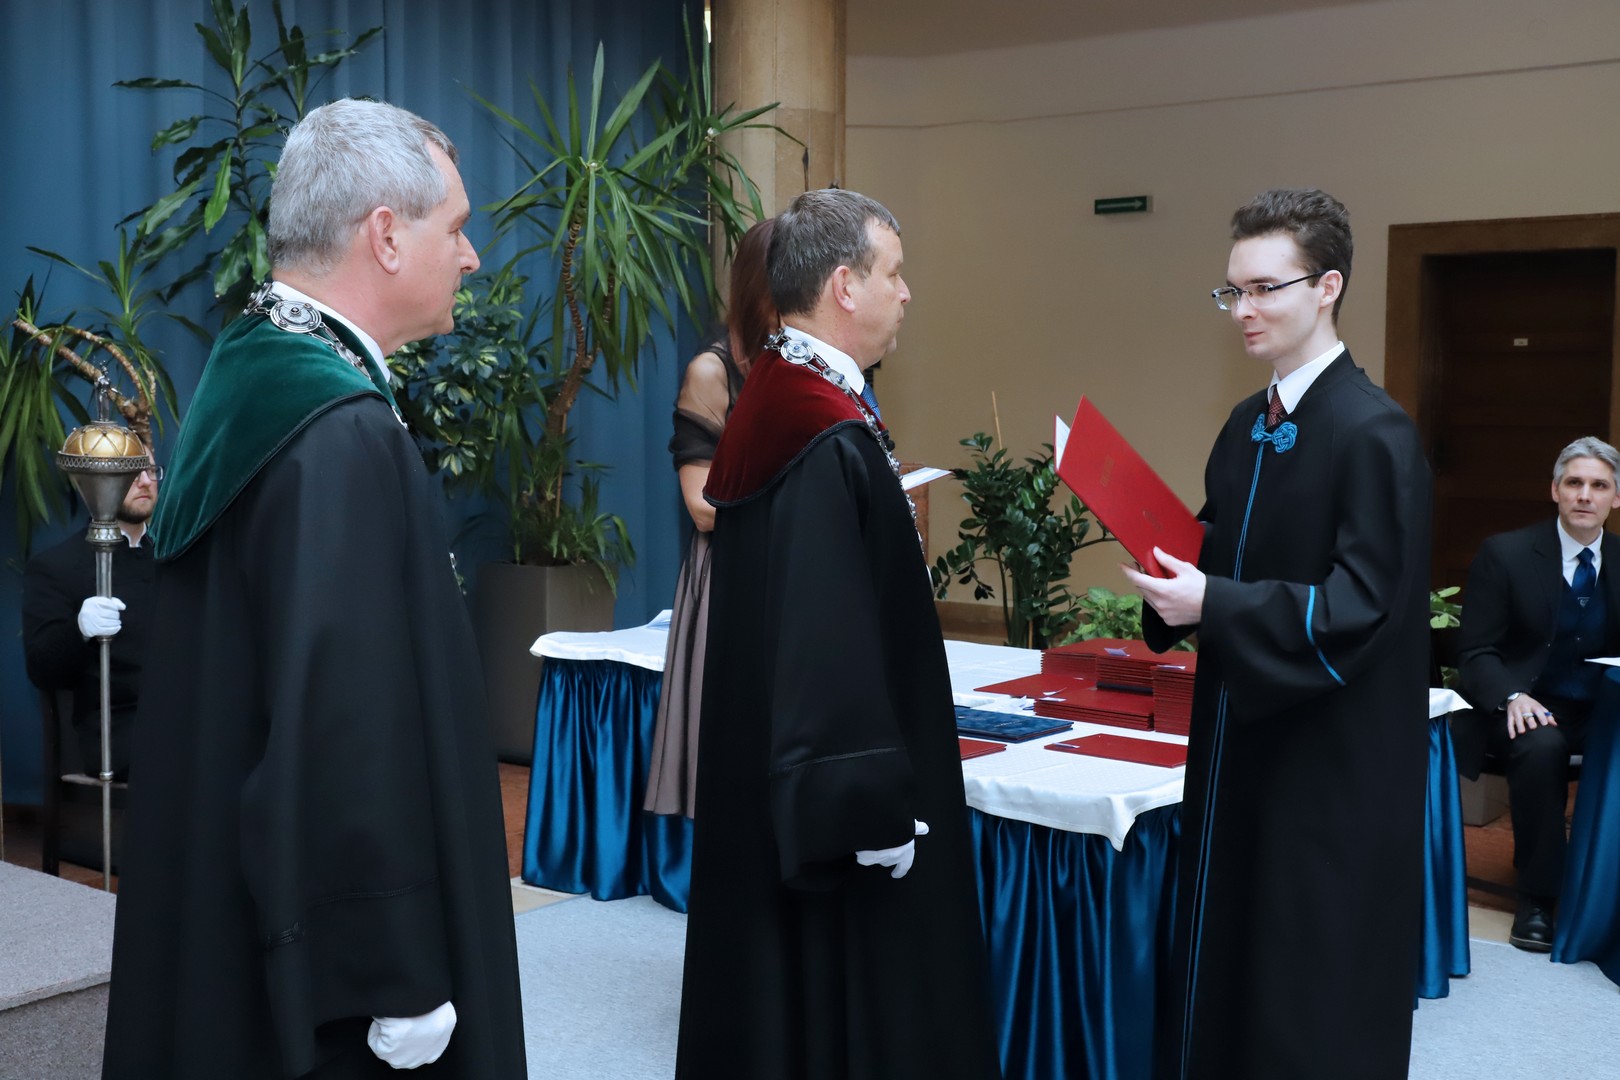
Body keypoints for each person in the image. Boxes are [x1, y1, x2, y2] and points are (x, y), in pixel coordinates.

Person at [101, 99, 526, 1079]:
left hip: (235, 911)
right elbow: (346, 720)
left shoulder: (252, 370)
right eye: (456, 228)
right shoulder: (336, 429)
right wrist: (392, 966)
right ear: (386, 235)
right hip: (335, 983)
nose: (471, 257)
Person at [673, 188, 1001, 1080]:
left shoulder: (784, 397)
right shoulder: (818, 429)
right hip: (837, 809)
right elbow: (826, 637)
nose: (907, 292)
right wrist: (864, 806)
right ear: (845, 286)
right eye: (895, 273)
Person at [1125, 188, 1433, 1079]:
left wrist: (1214, 603)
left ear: (1328, 286)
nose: (1243, 311)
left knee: (1309, 973)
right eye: (1233, 291)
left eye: (1265, 288)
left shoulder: (1375, 432)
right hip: (1239, 738)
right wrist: (1165, 564)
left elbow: (1363, 606)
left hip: (1326, 760)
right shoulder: (1246, 424)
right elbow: (1223, 543)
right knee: (1228, 955)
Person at [1454, 436, 1620, 951]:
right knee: (1542, 745)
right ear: (1555, 490)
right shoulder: (1505, 554)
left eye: (1599, 486)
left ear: (1616, 498)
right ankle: (1537, 899)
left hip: (1599, 709)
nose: (1585, 495)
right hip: (1520, 707)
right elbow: (1476, 652)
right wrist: (1512, 697)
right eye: (1574, 483)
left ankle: (1606, 887)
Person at [644, 217, 777, 817]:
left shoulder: (797, 366)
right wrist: (798, 502)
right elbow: (701, 507)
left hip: (785, 567)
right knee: (731, 754)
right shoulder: (712, 371)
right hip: (731, 573)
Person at [23, 460, 159, 782]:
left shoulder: (174, 558)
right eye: (131, 473)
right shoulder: (57, 567)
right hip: (117, 731)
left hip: (185, 715)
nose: (145, 481)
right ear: (98, 482)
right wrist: (79, 630)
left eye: (151, 471)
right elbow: (42, 670)